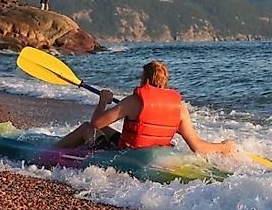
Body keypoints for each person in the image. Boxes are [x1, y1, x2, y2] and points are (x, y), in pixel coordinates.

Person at [55, 60, 236, 155]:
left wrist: (103, 100)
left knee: (87, 128)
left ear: (146, 81)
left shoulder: (134, 101)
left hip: (127, 154)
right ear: (165, 83)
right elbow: (197, 147)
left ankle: (48, 152)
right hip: (154, 153)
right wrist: (222, 147)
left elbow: (96, 123)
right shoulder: (180, 108)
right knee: (109, 131)